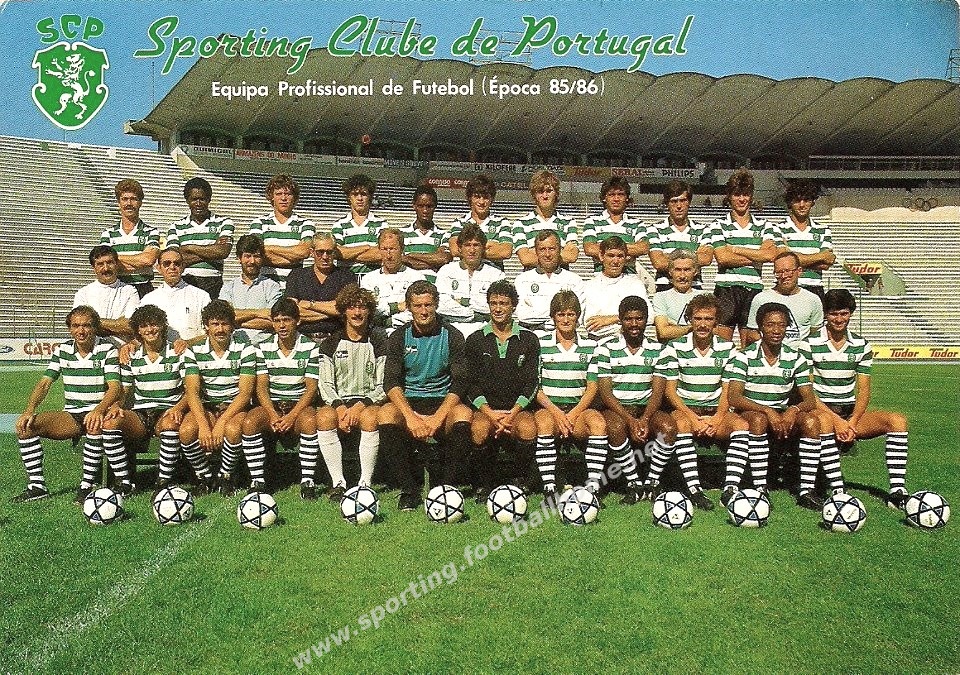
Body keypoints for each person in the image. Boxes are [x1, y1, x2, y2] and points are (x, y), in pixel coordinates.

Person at [725, 302, 843, 510]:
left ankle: (806, 491)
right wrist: (766, 410)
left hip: (781, 412)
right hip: (751, 412)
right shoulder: (744, 356)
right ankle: (761, 487)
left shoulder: (795, 357)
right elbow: (734, 397)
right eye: (770, 325)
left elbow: (809, 399)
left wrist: (793, 410)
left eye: (781, 325)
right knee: (759, 420)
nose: (776, 330)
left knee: (810, 421)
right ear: (760, 327)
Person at [808, 289, 910, 508]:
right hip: (821, 411)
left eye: (844, 313)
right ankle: (838, 490)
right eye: (834, 314)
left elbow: (864, 391)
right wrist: (837, 421)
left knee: (897, 421)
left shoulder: (861, 345)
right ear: (825, 314)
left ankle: (898, 491)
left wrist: (852, 421)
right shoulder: (809, 343)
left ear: (851, 314)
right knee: (824, 421)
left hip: (849, 413)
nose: (839, 319)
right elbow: (807, 392)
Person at [378, 280, 473, 511]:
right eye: (418, 306)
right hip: (410, 400)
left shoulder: (452, 335)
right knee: (386, 414)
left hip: (442, 400)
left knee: (463, 414)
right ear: (409, 307)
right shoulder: (399, 336)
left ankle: (445, 488)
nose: (423, 311)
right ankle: (409, 489)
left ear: (436, 305)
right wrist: (410, 417)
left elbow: (461, 382)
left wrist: (437, 418)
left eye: (428, 305)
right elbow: (391, 382)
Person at [14, 306, 125, 502]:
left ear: (95, 328)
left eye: (86, 325)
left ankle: (86, 486)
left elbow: (115, 388)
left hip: (98, 412)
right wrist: (29, 410)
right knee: (26, 427)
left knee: (94, 426)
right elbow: (45, 383)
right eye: (76, 326)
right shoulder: (62, 350)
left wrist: (99, 410)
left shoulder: (107, 349)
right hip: (72, 413)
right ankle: (37, 486)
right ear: (70, 329)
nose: (81, 331)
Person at [657, 293, 751, 509]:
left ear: (716, 322)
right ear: (690, 319)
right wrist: (693, 418)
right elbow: (670, 392)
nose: (702, 324)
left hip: (716, 410)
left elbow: (728, 389)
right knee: (681, 424)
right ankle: (694, 490)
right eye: (698, 318)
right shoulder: (674, 347)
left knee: (741, 426)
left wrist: (717, 418)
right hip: (686, 409)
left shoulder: (727, 348)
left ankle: (730, 489)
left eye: (708, 319)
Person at [103, 305, 210, 494]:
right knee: (110, 423)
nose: (150, 330)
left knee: (170, 424)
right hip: (141, 413)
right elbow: (125, 389)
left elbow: (191, 390)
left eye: (154, 324)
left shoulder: (179, 352)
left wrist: (178, 408)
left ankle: (163, 481)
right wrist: (117, 404)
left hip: (169, 410)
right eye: (144, 326)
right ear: (138, 330)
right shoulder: (131, 355)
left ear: (163, 326)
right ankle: (124, 482)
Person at [461, 280, 540, 502]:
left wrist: (513, 413)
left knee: (527, 428)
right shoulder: (475, 340)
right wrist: (489, 413)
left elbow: (532, 382)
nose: (498, 308)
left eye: (503, 303)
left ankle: (519, 480)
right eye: (493, 303)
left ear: (513, 305)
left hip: (517, 409)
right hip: (487, 409)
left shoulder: (529, 339)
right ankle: (483, 484)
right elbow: (470, 383)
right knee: (479, 429)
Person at [595, 296, 675, 504]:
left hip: (646, 407)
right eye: (628, 319)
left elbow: (658, 392)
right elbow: (606, 393)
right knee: (615, 427)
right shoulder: (606, 348)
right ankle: (634, 483)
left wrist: (645, 418)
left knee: (668, 427)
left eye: (639, 319)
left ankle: (652, 482)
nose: (634, 324)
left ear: (646, 320)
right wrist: (630, 420)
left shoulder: (660, 350)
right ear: (621, 320)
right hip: (617, 407)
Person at [534, 290, 609, 508]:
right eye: (560, 314)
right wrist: (557, 413)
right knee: (544, 422)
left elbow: (592, 387)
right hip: (551, 408)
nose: (566, 320)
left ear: (578, 316)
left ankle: (593, 488)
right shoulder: (540, 344)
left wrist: (574, 413)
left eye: (570, 314)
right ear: (553, 317)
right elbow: (536, 387)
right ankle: (549, 488)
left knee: (598, 423)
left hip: (578, 409)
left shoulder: (591, 346)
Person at [240, 298, 320, 496]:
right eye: (277, 321)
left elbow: (311, 389)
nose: (282, 325)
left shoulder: (310, 347)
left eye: (286, 320)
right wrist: (273, 414)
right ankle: (257, 481)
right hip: (272, 405)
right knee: (250, 422)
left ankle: (307, 481)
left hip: (298, 405)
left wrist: (291, 416)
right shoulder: (262, 347)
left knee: (310, 422)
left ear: (297, 321)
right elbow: (261, 388)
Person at [315, 286, 388, 499]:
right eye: (352, 307)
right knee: (324, 417)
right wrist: (339, 408)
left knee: (370, 418)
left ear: (369, 311)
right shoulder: (331, 343)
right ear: (344, 311)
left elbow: (383, 385)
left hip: (368, 402)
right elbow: (325, 384)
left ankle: (365, 482)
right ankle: (338, 482)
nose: (357, 312)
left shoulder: (379, 341)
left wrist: (360, 406)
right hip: (339, 402)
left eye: (362, 307)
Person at [180, 300, 258, 496]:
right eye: (215, 324)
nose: (220, 329)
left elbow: (245, 393)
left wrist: (222, 422)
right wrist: (204, 425)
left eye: (224, 324)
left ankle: (226, 475)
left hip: (234, 406)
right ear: (206, 326)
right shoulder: (193, 351)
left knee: (232, 430)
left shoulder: (246, 350)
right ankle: (204, 476)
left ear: (232, 326)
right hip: (208, 406)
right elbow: (192, 392)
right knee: (187, 431)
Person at [708, 169, 779, 347]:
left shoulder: (765, 226)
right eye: (737, 194)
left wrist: (735, 249)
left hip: (754, 289)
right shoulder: (718, 225)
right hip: (726, 290)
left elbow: (770, 255)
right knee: (721, 345)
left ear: (751, 195)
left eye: (745, 194)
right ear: (729, 196)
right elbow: (723, 258)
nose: (741, 199)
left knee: (751, 346)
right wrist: (756, 255)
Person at [165, 177, 234, 299]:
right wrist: (212, 251)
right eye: (194, 199)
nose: (198, 203)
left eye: (202, 199)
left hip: (213, 282)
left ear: (209, 199)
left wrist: (188, 248)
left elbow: (223, 252)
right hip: (185, 282)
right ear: (187, 200)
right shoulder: (176, 226)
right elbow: (174, 258)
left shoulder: (224, 222)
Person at [435, 223, 506, 337]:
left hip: (484, 331)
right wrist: (473, 313)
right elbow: (441, 305)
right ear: (460, 248)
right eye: (467, 245)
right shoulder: (446, 271)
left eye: (476, 245)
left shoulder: (496, 274)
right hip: (451, 330)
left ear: (483, 248)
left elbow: (498, 307)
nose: (472, 250)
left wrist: (462, 301)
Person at [248, 174, 315, 288]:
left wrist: (269, 248)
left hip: (294, 286)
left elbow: (304, 252)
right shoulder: (259, 223)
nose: (283, 198)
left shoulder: (306, 224)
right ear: (272, 197)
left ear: (294, 198)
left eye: (288, 194)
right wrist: (293, 258)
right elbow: (256, 255)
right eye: (279, 194)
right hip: (264, 286)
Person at [744, 251, 824, 347]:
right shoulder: (761, 298)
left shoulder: (813, 299)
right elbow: (752, 333)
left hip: (800, 354)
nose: (784, 276)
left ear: (799, 271)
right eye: (779, 272)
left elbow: (816, 333)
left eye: (788, 271)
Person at [285, 233, 355, 341]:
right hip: (303, 337)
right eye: (320, 252)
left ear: (335, 253)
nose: (325, 257)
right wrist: (333, 311)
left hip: (336, 337)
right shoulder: (297, 275)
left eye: (329, 252)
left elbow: (346, 310)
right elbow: (291, 312)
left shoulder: (347, 276)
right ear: (312, 252)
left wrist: (310, 305)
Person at [647, 180, 715, 291]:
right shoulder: (654, 229)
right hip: (665, 287)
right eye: (674, 201)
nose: (679, 206)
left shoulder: (703, 229)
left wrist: (668, 256)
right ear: (667, 203)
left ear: (689, 202)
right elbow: (659, 262)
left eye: (683, 200)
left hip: (694, 286)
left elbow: (706, 259)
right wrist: (693, 256)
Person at [580, 236, 652, 341]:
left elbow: (649, 316)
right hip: (598, 341)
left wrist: (611, 319)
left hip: (628, 341)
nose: (615, 261)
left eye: (620, 256)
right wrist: (626, 319)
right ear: (601, 256)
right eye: (611, 255)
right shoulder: (588, 286)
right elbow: (590, 324)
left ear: (626, 258)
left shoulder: (635, 284)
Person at [513, 230, 586, 332]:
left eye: (552, 249)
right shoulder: (522, 279)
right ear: (536, 251)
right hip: (532, 336)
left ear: (559, 250)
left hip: (562, 337)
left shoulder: (574, 280)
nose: (547, 254)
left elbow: (578, 317)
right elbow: (522, 315)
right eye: (542, 249)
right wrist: (559, 313)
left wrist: (536, 312)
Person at [138, 248, 211, 350]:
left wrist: (187, 343)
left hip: (194, 352)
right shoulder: (148, 299)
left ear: (183, 267)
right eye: (167, 263)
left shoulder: (201, 296)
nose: (172, 267)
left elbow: (210, 332)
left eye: (177, 263)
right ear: (159, 268)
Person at [219, 234, 283, 345]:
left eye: (256, 256)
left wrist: (235, 322)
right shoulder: (228, 287)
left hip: (264, 344)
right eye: (247, 256)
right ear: (239, 258)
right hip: (234, 345)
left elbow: (272, 322)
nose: (252, 261)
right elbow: (223, 318)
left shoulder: (272, 287)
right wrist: (258, 313)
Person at [99, 178, 159, 297]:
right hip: (116, 289)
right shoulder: (108, 234)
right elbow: (105, 264)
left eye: (133, 199)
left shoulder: (151, 232)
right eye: (124, 199)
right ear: (119, 203)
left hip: (143, 288)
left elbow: (148, 260)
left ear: (140, 203)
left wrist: (115, 259)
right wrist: (138, 263)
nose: (129, 204)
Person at [777, 179, 835, 299]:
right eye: (797, 200)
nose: (802, 205)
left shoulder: (823, 230)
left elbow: (825, 264)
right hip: (787, 288)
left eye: (806, 200)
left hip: (815, 288)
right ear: (790, 203)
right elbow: (783, 262)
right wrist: (820, 256)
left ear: (812, 202)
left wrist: (793, 262)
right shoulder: (778, 229)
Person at [360, 228, 426, 331]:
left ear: (402, 249)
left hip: (407, 331)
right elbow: (369, 310)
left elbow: (418, 312)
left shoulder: (416, 278)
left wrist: (388, 321)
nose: (389, 255)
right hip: (377, 333)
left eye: (393, 249)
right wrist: (396, 307)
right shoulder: (368, 280)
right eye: (384, 249)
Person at [513, 170, 580, 270]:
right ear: (534, 195)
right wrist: (559, 252)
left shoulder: (569, 222)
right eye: (540, 191)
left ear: (556, 193)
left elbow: (572, 256)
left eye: (549, 191)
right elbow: (525, 258)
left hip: (560, 277)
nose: (545, 196)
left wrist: (534, 251)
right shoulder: (521, 223)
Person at [72, 245, 138, 345]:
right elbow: (81, 324)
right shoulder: (83, 293)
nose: (106, 268)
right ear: (94, 268)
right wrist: (118, 323)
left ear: (116, 264)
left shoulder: (130, 291)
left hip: (121, 348)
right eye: (100, 264)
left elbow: (130, 326)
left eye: (109, 262)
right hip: (93, 348)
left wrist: (95, 323)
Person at [581, 176, 649, 273]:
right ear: (604, 198)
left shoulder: (637, 223)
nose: (616, 199)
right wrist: (627, 251)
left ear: (627, 198)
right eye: (611, 194)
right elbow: (589, 248)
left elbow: (643, 248)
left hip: (629, 277)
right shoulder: (592, 221)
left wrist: (604, 248)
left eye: (620, 194)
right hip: (601, 277)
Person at [446, 174, 514, 271]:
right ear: (470, 198)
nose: (481, 202)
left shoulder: (502, 222)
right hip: (466, 275)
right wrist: (489, 246)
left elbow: (505, 252)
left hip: (493, 275)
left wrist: (468, 249)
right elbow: (454, 250)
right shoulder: (460, 223)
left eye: (485, 197)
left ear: (492, 199)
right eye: (477, 197)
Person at [330, 173, 388, 281]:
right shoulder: (339, 225)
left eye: (363, 194)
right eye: (355, 194)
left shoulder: (381, 224)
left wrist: (349, 255)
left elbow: (380, 254)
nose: (359, 198)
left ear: (370, 196)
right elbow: (337, 253)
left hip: (373, 280)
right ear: (349, 197)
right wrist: (366, 247)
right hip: (346, 280)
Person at [400, 185, 452, 284]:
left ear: (435, 206)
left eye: (429, 206)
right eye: (421, 206)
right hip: (407, 285)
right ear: (414, 206)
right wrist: (433, 262)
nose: (425, 210)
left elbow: (444, 259)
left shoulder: (444, 235)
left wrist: (411, 255)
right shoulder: (402, 233)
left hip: (434, 286)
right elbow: (400, 260)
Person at [651, 251, 699, 343]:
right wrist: (695, 327)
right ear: (670, 271)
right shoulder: (661, 297)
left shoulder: (704, 296)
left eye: (687, 270)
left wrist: (674, 328)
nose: (682, 275)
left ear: (695, 271)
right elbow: (663, 332)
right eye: (678, 270)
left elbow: (714, 330)